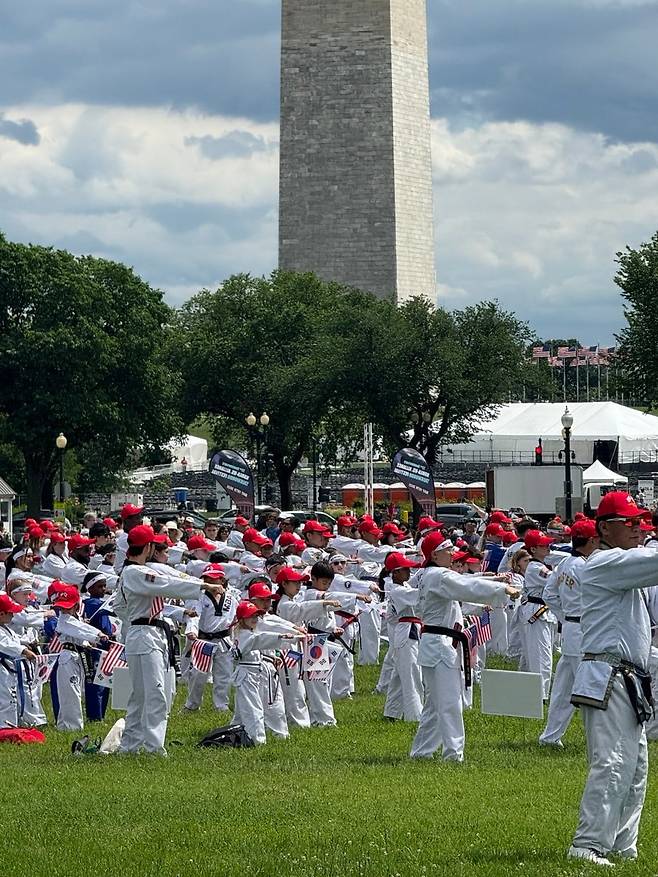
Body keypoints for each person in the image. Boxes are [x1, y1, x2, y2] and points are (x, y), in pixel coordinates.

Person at [568, 492, 658, 866]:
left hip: (627, 676)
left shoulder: (620, 566)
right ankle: (587, 845)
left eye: (641, 522)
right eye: (631, 522)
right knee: (612, 761)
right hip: (609, 674)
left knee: (635, 765)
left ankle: (622, 843)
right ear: (605, 528)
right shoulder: (604, 563)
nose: (639, 529)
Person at [113, 524, 224, 755]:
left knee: (141, 695)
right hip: (145, 635)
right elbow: (167, 584)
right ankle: (153, 747)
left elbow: (120, 606)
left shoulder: (133, 572)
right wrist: (203, 586)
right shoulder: (135, 572)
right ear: (149, 547)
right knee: (155, 692)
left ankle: (130, 746)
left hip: (144, 633)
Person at [409, 532, 519, 762]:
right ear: (435, 555)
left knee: (435, 704)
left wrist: (495, 581)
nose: (452, 555)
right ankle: (453, 754)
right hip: (441, 646)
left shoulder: (428, 575)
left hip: (436, 643)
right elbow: (466, 586)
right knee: (450, 702)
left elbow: (466, 583)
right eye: (447, 550)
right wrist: (500, 590)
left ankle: (421, 752)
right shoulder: (439, 576)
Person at [539, 519, 598, 749]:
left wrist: (565, 616)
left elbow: (549, 594)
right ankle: (595, 738)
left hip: (572, 627)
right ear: (591, 540)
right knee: (587, 686)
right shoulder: (586, 566)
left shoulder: (564, 563)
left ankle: (551, 736)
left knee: (564, 688)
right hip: (584, 628)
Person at [231, 600, 306, 745]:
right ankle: (257, 740)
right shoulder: (244, 635)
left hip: (255, 672)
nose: (254, 618)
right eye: (250, 616)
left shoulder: (248, 633)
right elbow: (260, 640)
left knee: (244, 710)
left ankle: (237, 733)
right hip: (247, 675)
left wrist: (272, 655)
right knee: (253, 709)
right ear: (241, 619)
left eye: (256, 615)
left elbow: (257, 645)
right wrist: (280, 636)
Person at [184, 563, 239, 713]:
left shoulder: (231, 598)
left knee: (224, 675)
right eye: (207, 579)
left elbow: (235, 620)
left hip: (224, 640)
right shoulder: (199, 597)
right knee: (198, 674)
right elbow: (194, 616)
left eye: (214, 579)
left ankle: (221, 705)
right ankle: (192, 705)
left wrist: (236, 642)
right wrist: (192, 631)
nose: (211, 583)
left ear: (222, 580)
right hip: (204, 639)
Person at [53, 584, 110, 730]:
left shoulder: (76, 618)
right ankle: (73, 726)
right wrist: (97, 635)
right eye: (62, 607)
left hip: (79, 655)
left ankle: (64, 725)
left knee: (76, 691)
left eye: (68, 607)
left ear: (77, 605)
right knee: (71, 692)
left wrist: (86, 643)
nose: (64, 610)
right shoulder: (64, 620)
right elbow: (79, 629)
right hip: (68, 658)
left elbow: (78, 632)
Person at [382, 552, 423, 722]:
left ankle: (392, 711)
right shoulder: (397, 590)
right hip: (407, 631)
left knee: (400, 676)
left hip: (409, 629)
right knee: (412, 673)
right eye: (405, 569)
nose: (409, 572)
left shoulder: (403, 586)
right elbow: (416, 597)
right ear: (396, 573)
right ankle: (415, 715)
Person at [520, 529, 557, 700]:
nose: (548, 547)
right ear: (533, 549)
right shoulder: (535, 567)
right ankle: (539, 696)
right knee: (541, 656)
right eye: (544, 545)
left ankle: (536, 694)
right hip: (537, 612)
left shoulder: (540, 565)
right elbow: (555, 579)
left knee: (542, 654)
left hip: (543, 612)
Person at [0, 593, 38, 728]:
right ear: (1, 614)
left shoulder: (6, 628)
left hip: (9, 668)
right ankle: (4, 728)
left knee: (11, 697)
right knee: (4, 698)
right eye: (10, 612)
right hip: (2, 668)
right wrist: (24, 651)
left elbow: (14, 639)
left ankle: (11, 725)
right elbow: (5, 644)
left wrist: (28, 643)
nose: (13, 615)